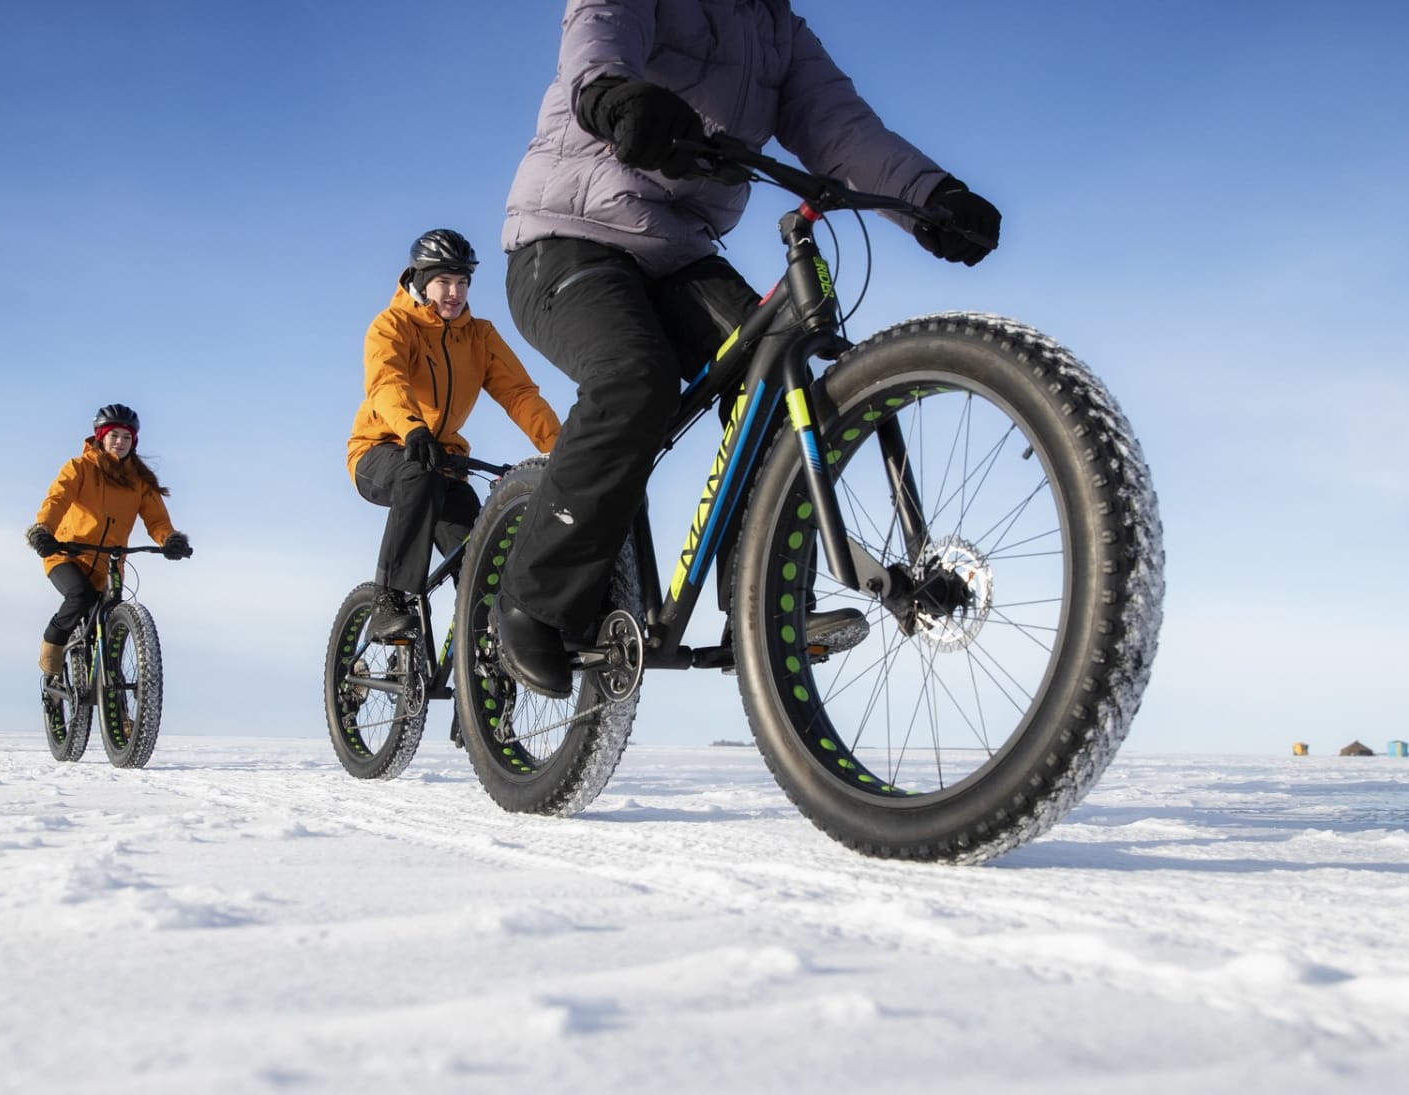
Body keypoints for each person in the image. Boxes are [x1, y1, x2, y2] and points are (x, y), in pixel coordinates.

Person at [492, 0, 1004, 696]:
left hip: (678, 254)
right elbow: (597, 34)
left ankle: (757, 599)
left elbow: (843, 131)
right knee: (636, 380)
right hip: (565, 236)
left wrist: (932, 194)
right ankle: (533, 597)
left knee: (776, 365)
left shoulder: (776, 32)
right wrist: (612, 96)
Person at [347, 228, 562, 641]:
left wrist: (564, 449)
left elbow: (519, 395)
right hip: (381, 448)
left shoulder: (480, 336)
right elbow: (386, 383)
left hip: (442, 459)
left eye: (462, 281)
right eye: (444, 281)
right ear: (421, 280)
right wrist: (413, 429)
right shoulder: (393, 325)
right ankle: (389, 600)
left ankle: (480, 660)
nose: (454, 292)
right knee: (418, 477)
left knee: (484, 550)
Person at [25, 403, 191, 679]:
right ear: (101, 437)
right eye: (114, 436)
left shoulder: (140, 481)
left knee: (113, 628)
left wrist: (170, 539)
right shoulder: (79, 468)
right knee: (81, 595)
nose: (120, 442)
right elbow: (57, 500)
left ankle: (118, 712)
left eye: (127, 437)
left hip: (108, 564)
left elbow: (157, 520)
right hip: (66, 554)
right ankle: (53, 639)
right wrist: (44, 530)